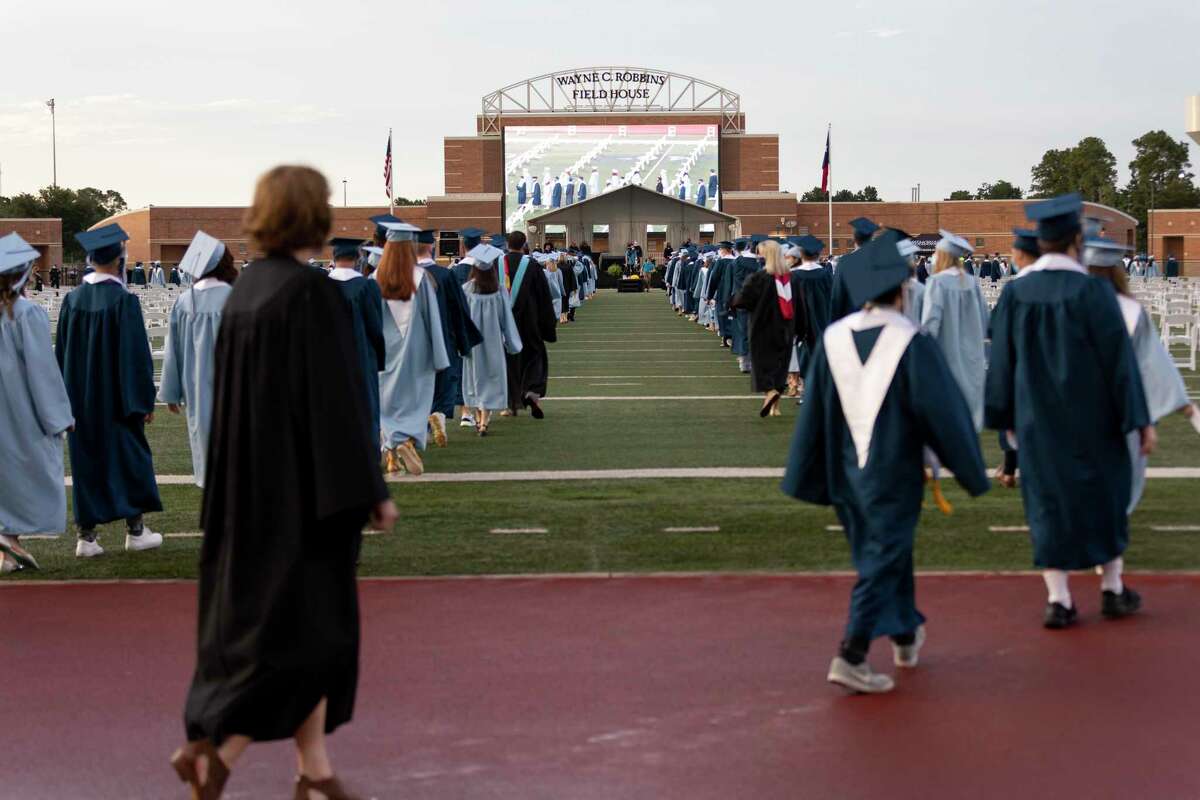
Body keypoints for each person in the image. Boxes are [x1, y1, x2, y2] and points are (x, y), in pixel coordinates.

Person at [171, 165, 396, 800]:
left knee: (274, 629)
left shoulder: (245, 292)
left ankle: (314, 769)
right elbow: (335, 403)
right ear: (314, 216)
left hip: (245, 490)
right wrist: (370, 491)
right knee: (311, 637)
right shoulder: (309, 293)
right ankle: (216, 756)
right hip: (303, 498)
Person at [782, 230, 989, 694]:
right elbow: (944, 413)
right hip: (895, 470)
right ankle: (851, 654)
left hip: (842, 471)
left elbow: (814, 413)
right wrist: (971, 471)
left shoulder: (834, 338)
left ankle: (904, 631)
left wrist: (807, 473)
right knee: (884, 554)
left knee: (884, 552)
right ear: (901, 288)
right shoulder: (910, 341)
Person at [985, 193, 1152, 630]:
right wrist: (1139, 418)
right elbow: (1121, 364)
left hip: (1037, 421)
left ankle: (1058, 600)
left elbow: (1001, 363)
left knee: (1046, 503)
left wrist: (1005, 425)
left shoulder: (1016, 294)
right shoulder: (1095, 291)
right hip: (1096, 418)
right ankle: (1113, 589)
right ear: (1077, 239)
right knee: (1106, 496)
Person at [56, 223, 163, 557]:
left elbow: (60, 354)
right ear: (120, 259)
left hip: (80, 403)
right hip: (118, 401)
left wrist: (63, 402)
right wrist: (142, 401)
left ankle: (86, 539)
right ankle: (136, 530)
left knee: (86, 464)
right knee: (129, 460)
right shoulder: (124, 302)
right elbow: (135, 357)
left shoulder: (71, 301)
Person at [1082, 235, 1197, 517]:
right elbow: (1152, 363)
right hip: (1123, 411)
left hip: (1076, 408)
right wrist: (1183, 405)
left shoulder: (1065, 306)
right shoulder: (1131, 310)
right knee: (1119, 490)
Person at [0, 233, 74, 573]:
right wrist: (59, 415)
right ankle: (8, 538)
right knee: (27, 472)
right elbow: (42, 370)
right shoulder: (26, 314)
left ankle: (6, 547)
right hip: (20, 408)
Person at [158, 231, 237, 488]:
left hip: (197, 388)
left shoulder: (185, 302)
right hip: (236, 387)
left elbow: (174, 349)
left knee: (205, 438)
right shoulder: (239, 298)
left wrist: (171, 392)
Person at [376, 221, 450, 476]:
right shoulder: (421, 278)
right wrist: (439, 356)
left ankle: (391, 453)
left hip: (384, 353)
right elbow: (433, 320)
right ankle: (406, 441)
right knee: (415, 402)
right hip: (417, 352)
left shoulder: (374, 279)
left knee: (386, 404)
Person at [418, 229, 482, 449]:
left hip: (412, 342)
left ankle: (421, 427)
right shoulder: (446, 275)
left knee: (417, 385)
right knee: (444, 382)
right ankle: (438, 416)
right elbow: (458, 310)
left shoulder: (404, 274)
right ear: (431, 247)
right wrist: (464, 342)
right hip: (444, 338)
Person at [921, 230, 989, 431]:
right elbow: (985, 319)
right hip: (974, 357)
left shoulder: (937, 282)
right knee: (969, 414)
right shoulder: (971, 283)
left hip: (947, 354)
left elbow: (930, 324)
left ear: (941, 256)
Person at [326, 236, 386, 443]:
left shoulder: (320, 287)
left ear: (333, 256)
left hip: (329, 358)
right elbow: (376, 327)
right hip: (361, 355)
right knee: (365, 403)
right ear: (358, 257)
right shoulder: (366, 287)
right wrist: (379, 356)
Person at [730, 240, 799, 417]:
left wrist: (734, 302)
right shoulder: (790, 278)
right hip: (785, 327)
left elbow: (742, 300)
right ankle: (775, 407)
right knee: (780, 364)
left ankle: (769, 392)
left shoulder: (759, 278)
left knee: (762, 363)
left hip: (762, 326)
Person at [461, 243, 523, 435]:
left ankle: (478, 417)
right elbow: (506, 318)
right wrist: (512, 343)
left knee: (475, 379)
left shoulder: (466, 289)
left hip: (473, 343)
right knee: (491, 378)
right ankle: (484, 422)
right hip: (493, 342)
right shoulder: (498, 290)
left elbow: (461, 318)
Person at [502, 230, 557, 418]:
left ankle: (511, 404)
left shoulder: (498, 265)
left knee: (510, 361)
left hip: (505, 322)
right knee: (534, 356)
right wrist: (547, 326)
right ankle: (531, 393)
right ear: (524, 244)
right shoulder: (532, 265)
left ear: (507, 244)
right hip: (530, 321)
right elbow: (544, 297)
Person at [786, 235, 834, 398]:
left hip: (801, 322)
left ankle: (805, 390)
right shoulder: (825, 274)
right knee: (820, 353)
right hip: (822, 320)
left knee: (803, 353)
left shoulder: (794, 275)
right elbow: (831, 297)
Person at [829, 216, 880, 321]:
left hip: (851, 319)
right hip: (878, 320)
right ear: (871, 238)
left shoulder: (845, 262)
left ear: (854, 239)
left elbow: (837, 296)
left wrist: (834, 323)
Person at [730, 237, 762, 372]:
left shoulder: (737, 262)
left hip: (742, 299)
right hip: (759, 301)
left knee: (743, 329)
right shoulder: (760, 263)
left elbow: (733, 281)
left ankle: (744, 361)